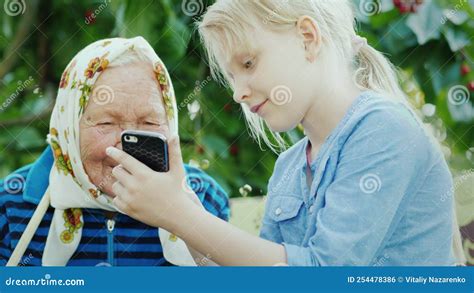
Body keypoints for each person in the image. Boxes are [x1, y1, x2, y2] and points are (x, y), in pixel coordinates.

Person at [106, 0, 465, 266]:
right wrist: (179, 202)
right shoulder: (291, 166)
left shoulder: (385, 130)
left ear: (308, 38)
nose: (238, 93)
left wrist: (178, 215)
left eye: (248, 64)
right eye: (231, 77)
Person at [0, 36, 229, 266]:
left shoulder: (203, 198)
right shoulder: (11, 203)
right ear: (68, 128)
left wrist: (180, 214)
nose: (127, 148)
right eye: (106, 123)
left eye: (149, 122)